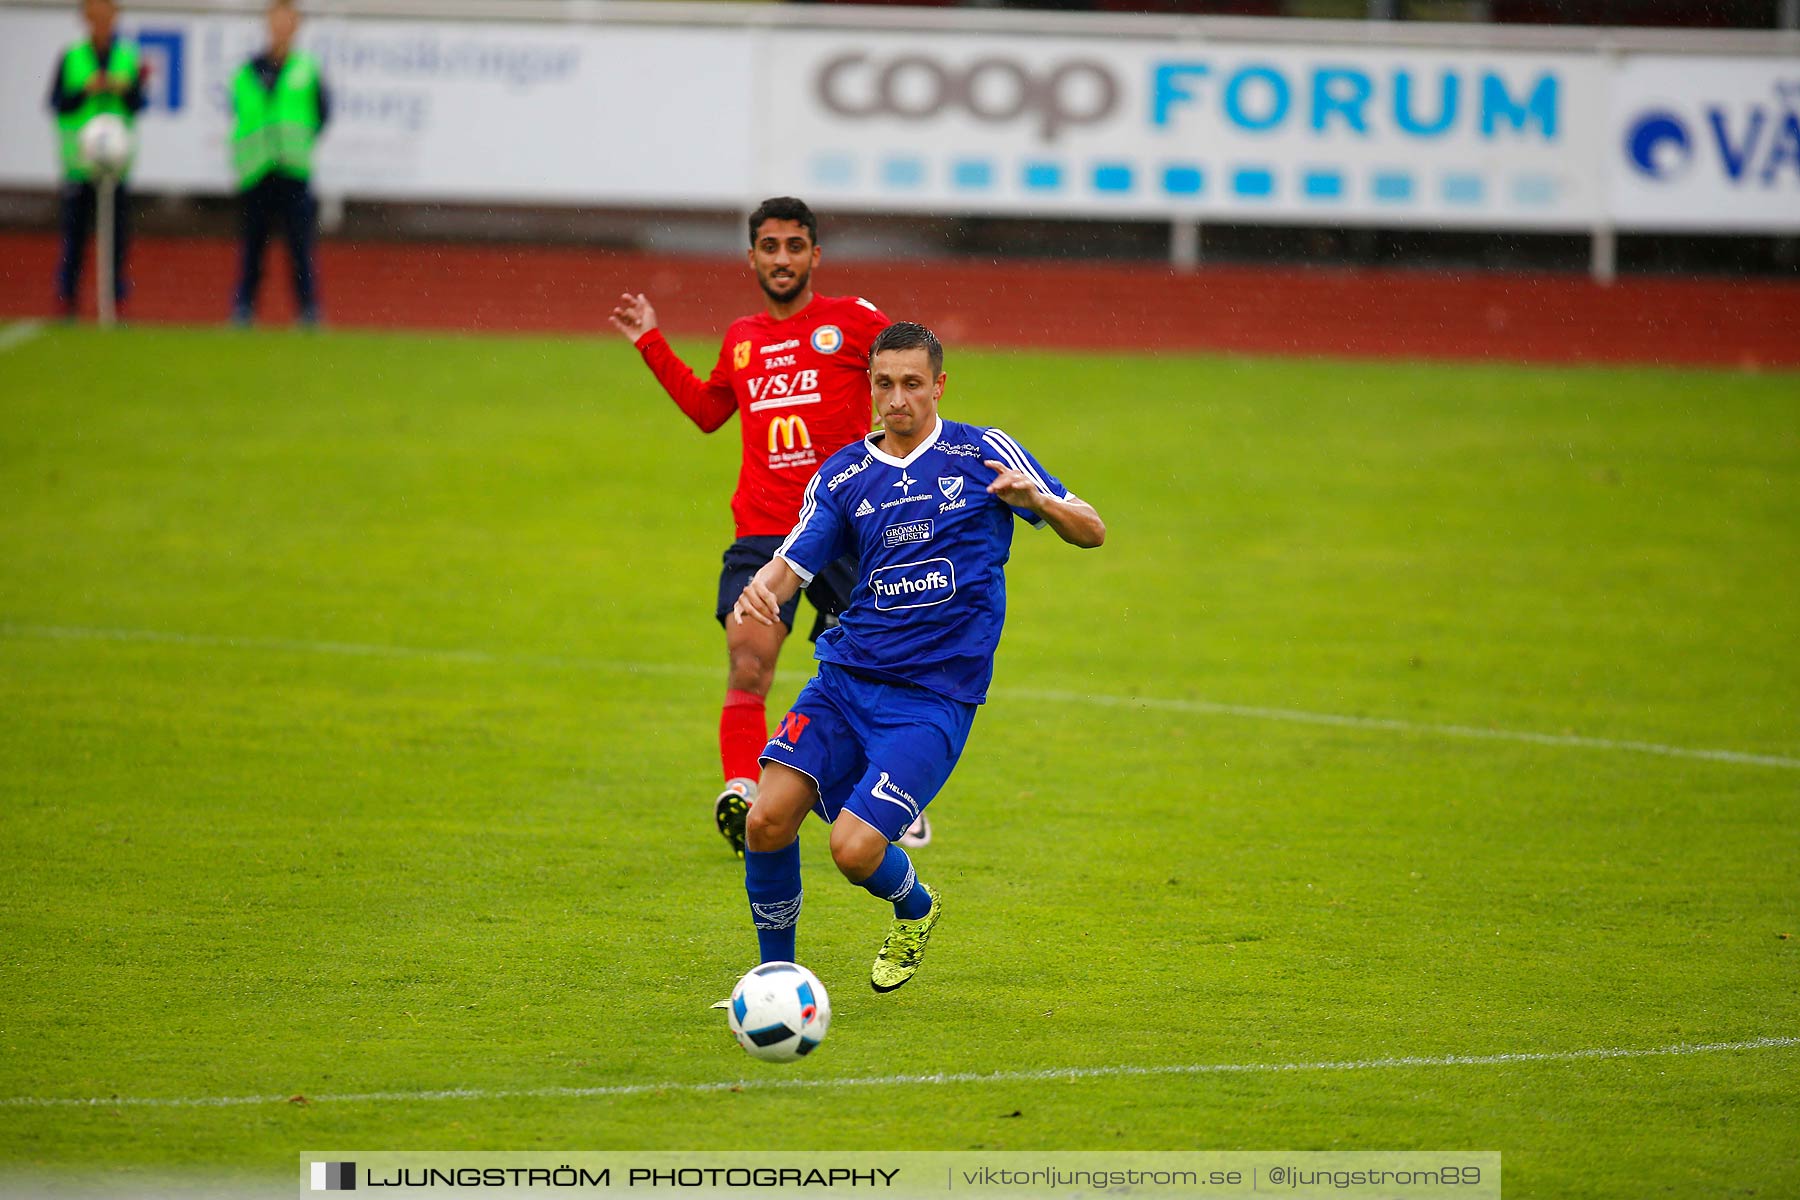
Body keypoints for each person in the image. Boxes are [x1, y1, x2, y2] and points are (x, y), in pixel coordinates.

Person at [731, 321, 1106, 992]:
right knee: (765, 818)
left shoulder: (984, 452)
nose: (897, 398)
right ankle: (775, 978)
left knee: (852, 851)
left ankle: (915, 907)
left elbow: (1093, 530)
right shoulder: (845, 473)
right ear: (869, 386)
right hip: (845, 681)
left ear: (938, 385)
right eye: (883, 384)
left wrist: (1038, 501)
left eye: (911, 384)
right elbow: (797, 556)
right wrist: (764, 589)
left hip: (932, 701)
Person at [609, 197, 934, 855]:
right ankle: (742, 791)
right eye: (769, 247)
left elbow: (908, 377)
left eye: (793, 246)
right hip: (763, 531)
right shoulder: (742, 338)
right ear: (751, 257)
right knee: (748, 660)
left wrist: (905, 454)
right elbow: (707, 410)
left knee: (876, 669)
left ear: (814, 256)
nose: (781, 259)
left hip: (844, 527)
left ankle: (889, 792)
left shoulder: (852, 322)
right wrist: (650, 340)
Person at [229, 0, 330, 327]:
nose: (282, 27)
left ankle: (308, 310)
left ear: (297, 26)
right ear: (268, 24)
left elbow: (321, 114)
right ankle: (244, 308)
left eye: (289, 21)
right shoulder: (247, 71)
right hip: (257, 169)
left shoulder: (307, 69)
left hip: (293, 168)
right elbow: (239, 113)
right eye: (277, 20)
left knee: (300, 245)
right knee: (253, 245)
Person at [47, 0, 147, 320]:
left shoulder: (127, 58)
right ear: (86, 17)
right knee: (75, 234)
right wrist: (84, 90)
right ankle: (68, 298)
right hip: (80, 162)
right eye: (96, 13)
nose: (102, 20)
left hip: (115, 164)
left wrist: (124, 88)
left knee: (117, 235)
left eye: (108, 13)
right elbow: (58, 102)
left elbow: (137, 103)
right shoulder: (72, 57)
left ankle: (115, 299)